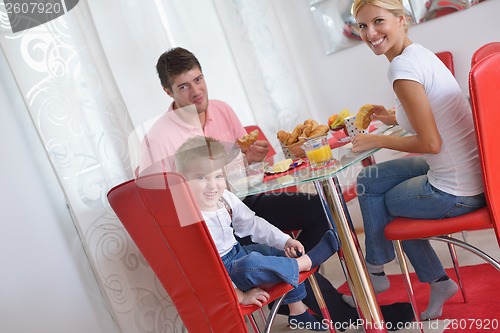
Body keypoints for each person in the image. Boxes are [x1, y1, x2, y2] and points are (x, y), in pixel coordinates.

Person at [345, 0, 486, 321]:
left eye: (378, 21)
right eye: (362, 26)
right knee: (370, 180)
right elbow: (432, 117)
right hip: (473, 174)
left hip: (456, 191)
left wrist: (376, 139)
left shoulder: (402, 68)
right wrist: (392, 115)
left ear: (402, 19)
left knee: (385, 206)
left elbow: (430, 143)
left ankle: (378, 274)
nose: (370, 33)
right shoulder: (419, 54)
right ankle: (379, 269)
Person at [139, 46, 331, 253]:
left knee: (321, 212)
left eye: (198, 80)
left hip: (246, 204)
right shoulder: (157, 139)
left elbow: (246, 174)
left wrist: (251, 160)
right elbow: (162, 208)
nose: (196, 92)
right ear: (168, 92)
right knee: (271, 257)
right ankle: (290, 274)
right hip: (211, 225)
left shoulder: (222, 109)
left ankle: (296, 269)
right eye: (184, 87)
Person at [174, 135, 339, 331]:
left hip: (237, 254)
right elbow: (202, 269)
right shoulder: (190, 217)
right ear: (184, 181)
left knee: (275, 252)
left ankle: (297, 310)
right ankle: (305, 262)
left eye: (218, 176)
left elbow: (252, 224)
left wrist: (285, 241)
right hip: (223, 274)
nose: (212, 185)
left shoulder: (225, 197)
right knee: (252, 263)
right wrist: (240, 296)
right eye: (201, 177)